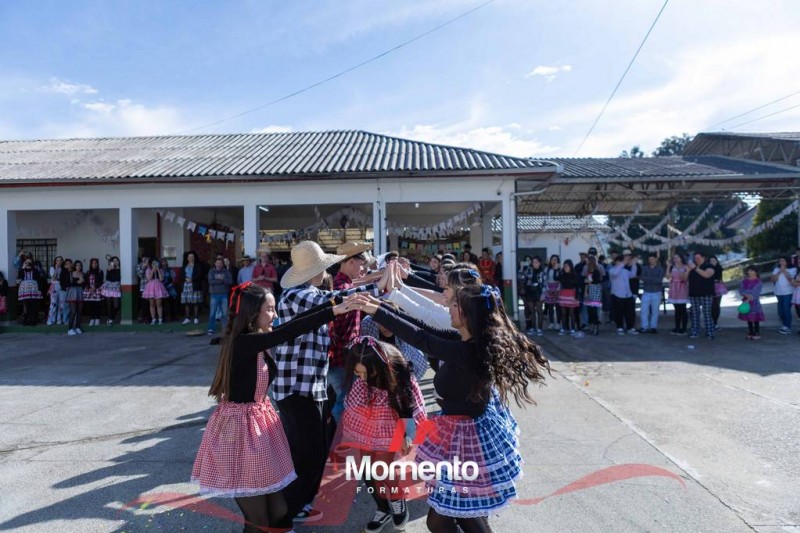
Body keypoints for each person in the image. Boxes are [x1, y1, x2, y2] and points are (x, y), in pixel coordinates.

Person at [350, 280, 549, 533]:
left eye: (455, 305)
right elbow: (423, 329)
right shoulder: (464, 341)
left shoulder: (467, 352)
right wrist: (380, 308)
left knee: (449, 518)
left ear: (468, 315)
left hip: (466, 441)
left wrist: (378, 311)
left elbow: (421, 339)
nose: (448, 307)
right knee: (454, 517)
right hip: (461, 435)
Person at [191, 282, 352, 533]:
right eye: (269, 309)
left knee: (279, 512)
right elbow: (289, 330)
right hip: (240, 433)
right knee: (258, 520)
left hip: (256, 424)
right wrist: (332, 311)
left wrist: (333, 304)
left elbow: (290, 324)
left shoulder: (254, 340)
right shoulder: (244, 342)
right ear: (252, 312)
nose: (275, 315)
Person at [271, 241, 387, 527]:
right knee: (308, 456)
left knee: (315, 452)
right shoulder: (298, 295)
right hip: (297, 390)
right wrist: (381, 285)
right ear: (316, 270)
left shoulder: (305, 293)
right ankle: (280, 519)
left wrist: (378, 285)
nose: (327, 272)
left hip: (309, 388)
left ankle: (299, 504)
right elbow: (339, 298)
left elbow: (339, 296)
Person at [338, 337, 427, 532]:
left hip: (391, 422)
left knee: (383, 468)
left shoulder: (397, 370)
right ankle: (383, 508)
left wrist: (406, 435)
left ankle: (397, 499)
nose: (361, 377)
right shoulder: (362, 379)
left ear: (379, 365)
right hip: (366, 421)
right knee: (367, 469)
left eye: (366, 372)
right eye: (357, 373)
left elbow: (407, 405)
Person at [328, 241, 373, 423]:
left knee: (347, 402)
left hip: (343, 358)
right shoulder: (343, 288)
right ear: (351, 262)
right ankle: (345, 437)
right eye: (361, 264)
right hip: (342, 360)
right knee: (346, 404)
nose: (363, 269)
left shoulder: (344, 285)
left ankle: (346, 436)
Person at [687, 251, 717, 340]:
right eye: (695, 258)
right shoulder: (691, 267)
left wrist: (695, 268)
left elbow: (707, 275)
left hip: (706, 293)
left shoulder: (709, 266)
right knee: (694, 313)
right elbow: (684, 278)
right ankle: (695, 331)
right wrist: (688, 270)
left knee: (707, 313)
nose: (696, 259)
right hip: (693, 293)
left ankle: (710, 332)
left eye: (698, 258)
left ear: (703, 258)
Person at [609, 255, 637, 335]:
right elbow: (615, 273)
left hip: (628, 295)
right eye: (621, 261)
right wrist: (623, 263)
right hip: (617, 295)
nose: (624, 262)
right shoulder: (612, 270)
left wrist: (634, 264)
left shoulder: (625, 271)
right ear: (616, 262)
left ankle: (630, 328)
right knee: (618, 313)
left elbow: (633, 275)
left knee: (630, 313)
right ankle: (619, 327)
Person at [771, 256, 797, 335]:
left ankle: (787, 326)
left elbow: (791, 279)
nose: (781, 263)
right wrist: (779, 272)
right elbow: (773, 279)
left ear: (787, 261)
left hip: (788, 292)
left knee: (786, 309)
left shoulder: (793, 269)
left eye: (783, 261)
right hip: (778, 292)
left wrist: (784, 271)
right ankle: (784, 324)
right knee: (780, 311)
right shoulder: (776, 269)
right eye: (780, 261)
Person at [639, 254, 665, 334]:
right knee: (643, 310)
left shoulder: (660, 269)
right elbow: (642, 278)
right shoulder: (644, 268)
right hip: (646, 291)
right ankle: (644, 326)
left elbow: (659, 280)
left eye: (652, 259)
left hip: (657, 292)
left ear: (656, 259)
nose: (651, 261)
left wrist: (648, 279)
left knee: (655, 311)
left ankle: (653, 327)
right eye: (649, 259)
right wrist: (653, 279)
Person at [738, 266, 765, 340]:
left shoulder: (758, 281)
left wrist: (749, 297)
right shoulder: (744, 281)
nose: (749, 272)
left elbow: (756, 292)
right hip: (746, 301)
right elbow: (741, 290)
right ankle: (751, 332)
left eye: (752, 271)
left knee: (755, 318)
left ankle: (757, 333)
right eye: (748, 270)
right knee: (748, 317)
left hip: (754, 302)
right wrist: (746, 295)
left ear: (756, 272)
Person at [207, 257, 233, 335]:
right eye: (217, 263)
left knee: (224, 313)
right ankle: (211, 328)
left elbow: (230, 281)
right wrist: (222, 279)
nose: (219, 264)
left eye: (220, 263)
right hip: (214, 294)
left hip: (224, 294)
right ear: (215, 264)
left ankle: (226, 329)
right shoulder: (211, 271)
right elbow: (211, 282)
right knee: (212, 313)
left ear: (223, 264)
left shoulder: (226, 272)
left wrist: (220, 279)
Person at [520, 256, 545, 336]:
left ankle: (540, 329)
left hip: (538, 291)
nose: (534, 263)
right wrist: (521, 269)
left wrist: (543, 294)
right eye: (533, 262)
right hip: (530, 291)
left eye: (536, 262)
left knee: (539, 311)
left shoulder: (542, 272)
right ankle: (533, 328)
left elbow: (544, 284)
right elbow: (521, 277)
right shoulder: (529, 270)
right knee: (532, 311)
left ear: (539, 263)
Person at [558, 260, 582, 337]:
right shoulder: (562, 275)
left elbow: (577, 286)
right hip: (563, 294)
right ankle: (563, 327)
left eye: (567, 266)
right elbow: (557, 278)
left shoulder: (575, 275)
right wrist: (557, 269)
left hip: (572, 294)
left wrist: (577, 296)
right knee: (563, 313)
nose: (565, 268)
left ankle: (573, 328)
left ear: (571, 267)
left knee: (572, 313)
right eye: (564, 266)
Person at [667, 254, 689, 335]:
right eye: (674, 258)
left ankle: (684, 328)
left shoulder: (685, 267)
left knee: (682, 309)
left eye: (677, 257)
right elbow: (668, 276)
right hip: (674, 287)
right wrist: (668, 266)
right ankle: (677, 327)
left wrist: (680, 269)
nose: (675, 259)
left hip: (682, 287)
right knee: (676, 309)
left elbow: (684, 279)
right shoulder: (672, 267)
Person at [17, 258, 43, 326]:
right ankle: (27, 319)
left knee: (33, 305)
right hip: (25, 290)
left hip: (33, 290)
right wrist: (23, 268)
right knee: (26, 305)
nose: (28, 263)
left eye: (29, 262)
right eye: (26, 262)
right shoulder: (23, 270)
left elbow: (39, 280)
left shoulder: (35, 270)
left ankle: (33, 320)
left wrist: (39, 289)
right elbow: (20, 276)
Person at [143, 258, 169, 325]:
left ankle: (160, 319)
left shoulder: (160, 270)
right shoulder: (148, 270)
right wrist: (152, 270)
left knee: (159, 304)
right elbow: (149, 279)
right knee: (152, 304)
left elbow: (161, 279)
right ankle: (153, 319)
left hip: (158, 287)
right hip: (150, 288)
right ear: (151, 264)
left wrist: (157, 270)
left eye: (156, 263)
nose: (154, 264)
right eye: (153, 263)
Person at [583, 255, 604, 336]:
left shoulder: (596, 271)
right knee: (590, 311)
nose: (586, 262)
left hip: (595, 291)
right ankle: (592, 327)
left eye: (587, 261)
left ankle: (596, 328)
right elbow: (586, 283)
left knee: (595, 311)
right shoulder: (588, 271)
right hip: (589, 291)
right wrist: (585, 291)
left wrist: (588, 281)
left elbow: (597, 281)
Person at [181, 251, 203, 324]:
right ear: (187, 258)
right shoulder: (185, 266)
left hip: (195, 285)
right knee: (187, 302)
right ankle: (187, 318)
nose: (191, 258)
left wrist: (192, 279)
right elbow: (181, 275)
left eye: (192, 257)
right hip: (186, 285)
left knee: (195, 302)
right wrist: (185, 279)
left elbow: (199, 275)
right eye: (190, 257)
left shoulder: (198, 266)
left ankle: (196, 318)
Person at [63, 259, 85, 335]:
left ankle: (78, 327)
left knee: (79, 311)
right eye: (77, 265)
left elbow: (84, 284)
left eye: (80, 265)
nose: (79, 267)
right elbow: (68, 283)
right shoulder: (71, 273)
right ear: (74, 266)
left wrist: (82, 281)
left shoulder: (83, 274)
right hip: (73, 292)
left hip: (80, 292)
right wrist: (78, 281)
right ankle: (70, 329)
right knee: (73, 311)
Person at [47, 256, 68, 326]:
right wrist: (56, 268)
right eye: (57, 260)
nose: (59, 262)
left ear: (62, 261)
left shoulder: (63, 269)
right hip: (54, 286)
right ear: (55, 261)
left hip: (61, 286)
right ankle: (51, 320)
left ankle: (59, 320)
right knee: (53, 304)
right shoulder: (52, 268)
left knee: (61, 304)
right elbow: (53, 278)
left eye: (60, 260)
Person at [83, 258, 105, 327]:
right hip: (90, 290)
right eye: (93, 263)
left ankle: (97, 319)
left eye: (95, 263)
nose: (94, 264)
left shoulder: (100, 271)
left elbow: (101, 281)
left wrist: (95, 287)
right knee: (91, 305)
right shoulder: (88, 271)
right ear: (91, 264)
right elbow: (86, 281)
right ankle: (92, 318)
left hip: (97, 290)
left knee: (97, 305)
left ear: (97, 264)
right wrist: (89, 288)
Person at [543, 255, 562, 331]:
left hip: (557, 289)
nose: (554, 261)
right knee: (550, 307)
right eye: (552, 259)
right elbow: (545, 280)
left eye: (555, 260)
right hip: (549, 289)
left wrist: (557, 289)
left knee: (558, 307)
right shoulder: (546, 269)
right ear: (550, 261)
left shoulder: (560, 269)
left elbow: (561, 280)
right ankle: (551, 322)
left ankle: (558, 323)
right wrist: (548, 289)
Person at [102, 256, 122, 325]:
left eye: (117, 260)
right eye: (114, 261)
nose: (115, 262)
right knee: (109, 304)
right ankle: (110, 318)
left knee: (116, 305)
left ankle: (112, 316)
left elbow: (118, 278)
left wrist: (117, 269)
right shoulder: (109, 268)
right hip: (109, 287)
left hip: (116, 287)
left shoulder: (120, 269)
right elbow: (107, 278)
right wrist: (109, 270)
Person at [709, 255, 725, 330]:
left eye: (714, 260)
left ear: (717, 261)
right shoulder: (707, 269)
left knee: (717, 305)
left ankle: (715, 322)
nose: (712, 262)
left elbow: (720, 278)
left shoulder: (719, 268)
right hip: (710, 287)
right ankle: (712, 322)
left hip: (718, 287)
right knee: (711, 306)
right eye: (711, 261)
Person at [160, 257, 178, 322]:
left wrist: (171, 284)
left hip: (170, 288)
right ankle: (164, 317)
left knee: (172, 302)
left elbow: (173, 278)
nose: (164, 263)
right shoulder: (159, 270)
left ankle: (173, 316)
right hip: (162, 288)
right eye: (162, 262)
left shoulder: (170, 270)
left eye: (165, 262)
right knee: (163, 303)